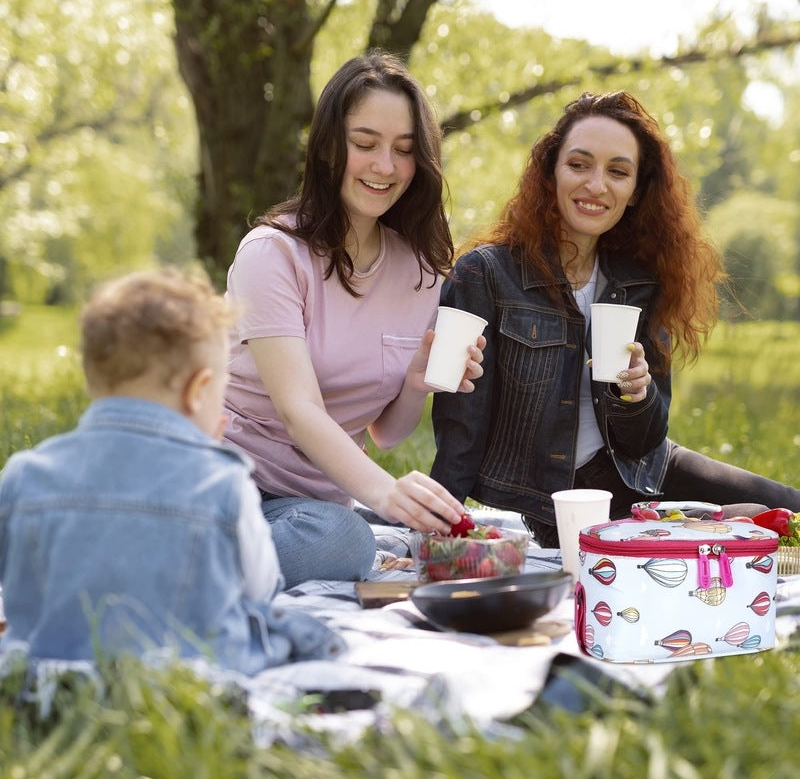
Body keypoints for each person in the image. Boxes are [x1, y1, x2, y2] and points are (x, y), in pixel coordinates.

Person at [429, 90, 800, 548]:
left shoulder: (640, 280)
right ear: (551, 172)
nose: (596, 185)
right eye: (579, 165)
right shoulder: (485, 274)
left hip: (644, 469)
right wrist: (437, 531)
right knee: (741, 531)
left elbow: (646, 438)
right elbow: (459, 427)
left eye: (617, 172)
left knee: (790, 509)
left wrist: (636, 395)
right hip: (563, 500)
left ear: (636, 190)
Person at [222, 50, 483, 587]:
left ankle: (176, 565)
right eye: (365, 144)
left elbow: (386, 433)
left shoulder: (421, 272)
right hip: (221, 479)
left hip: (309, 507)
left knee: (344, 539)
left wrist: (416, 382)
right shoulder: (272, 255)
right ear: (328, 149)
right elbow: (299, 410)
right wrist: (386, 494)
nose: (385, 166)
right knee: (351, 534)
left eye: (404, 150)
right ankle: (169, 556)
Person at [0, 267, 342, 674]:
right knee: (286, 628)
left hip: (45, 678)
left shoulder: (25, 474)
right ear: (198, 390)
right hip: (190, 676)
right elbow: (260, 587)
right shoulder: (223, 482)